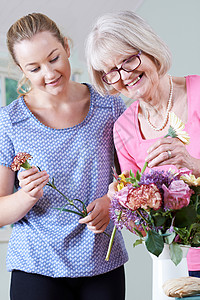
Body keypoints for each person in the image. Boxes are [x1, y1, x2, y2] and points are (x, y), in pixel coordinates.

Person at [0, 13, 128, 300]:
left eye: (54, 58)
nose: (48, 73)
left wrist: (112, 202)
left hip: (102, 263)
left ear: (67, 47)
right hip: (35, 267)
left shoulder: (109, 106)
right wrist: (26, 197)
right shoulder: (9, 122)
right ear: (22, 70)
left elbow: (130, 177)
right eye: (34, 68)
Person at [85, 10, 200, 277]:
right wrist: (126, 205)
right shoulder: (123, 129)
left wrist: (194, 164)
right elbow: (146, 228)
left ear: (148, 49)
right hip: (177, 267)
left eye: (128, 60)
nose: (124, 76)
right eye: (111, 72)